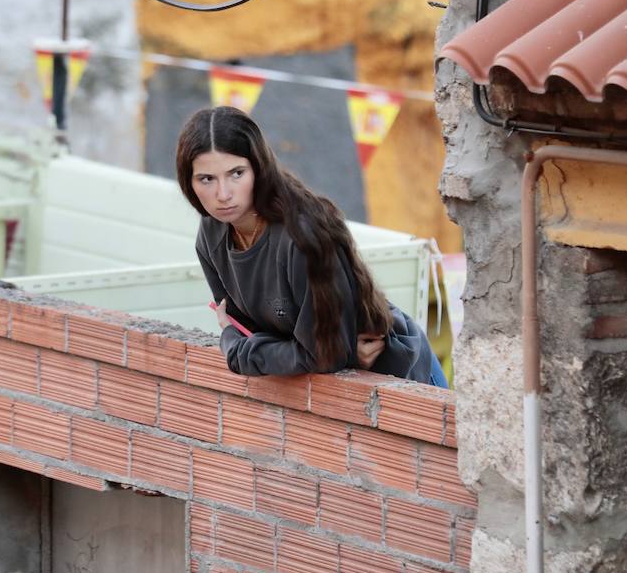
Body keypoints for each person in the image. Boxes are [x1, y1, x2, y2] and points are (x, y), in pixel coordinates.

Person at [175, 106, 446, 386]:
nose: (223, 194)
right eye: (207, 179)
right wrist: (252, 345)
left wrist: (234, 348)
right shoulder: (211, 234)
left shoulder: (301, 236)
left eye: (237, 173)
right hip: (325, 393)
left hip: (400, 378)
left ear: (258, 168)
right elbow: (250, 332)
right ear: (189, 182)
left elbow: (323, 355)